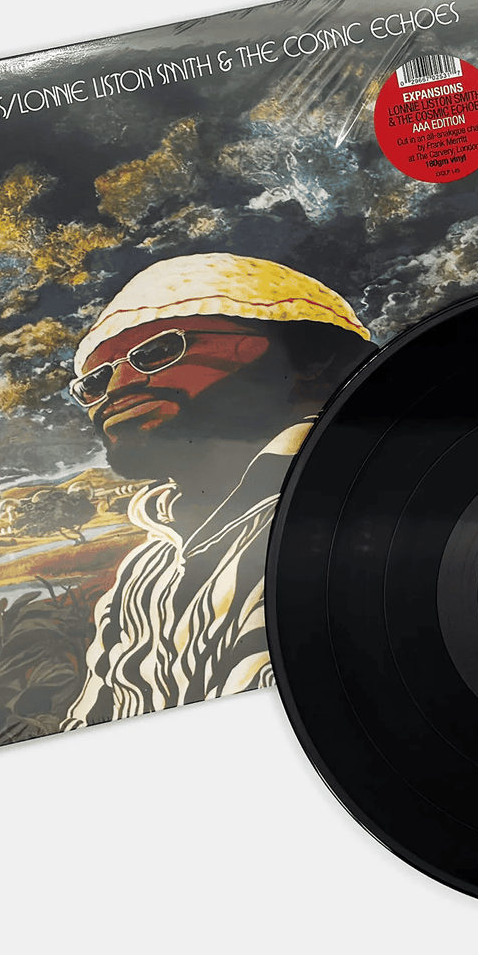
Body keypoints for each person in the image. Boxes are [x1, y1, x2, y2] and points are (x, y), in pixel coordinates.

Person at [60, 253, 376, 726]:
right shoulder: (146, 567)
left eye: (157, 352)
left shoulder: (352, 509)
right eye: (94, 382)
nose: (117, 388)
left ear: (310, 358)